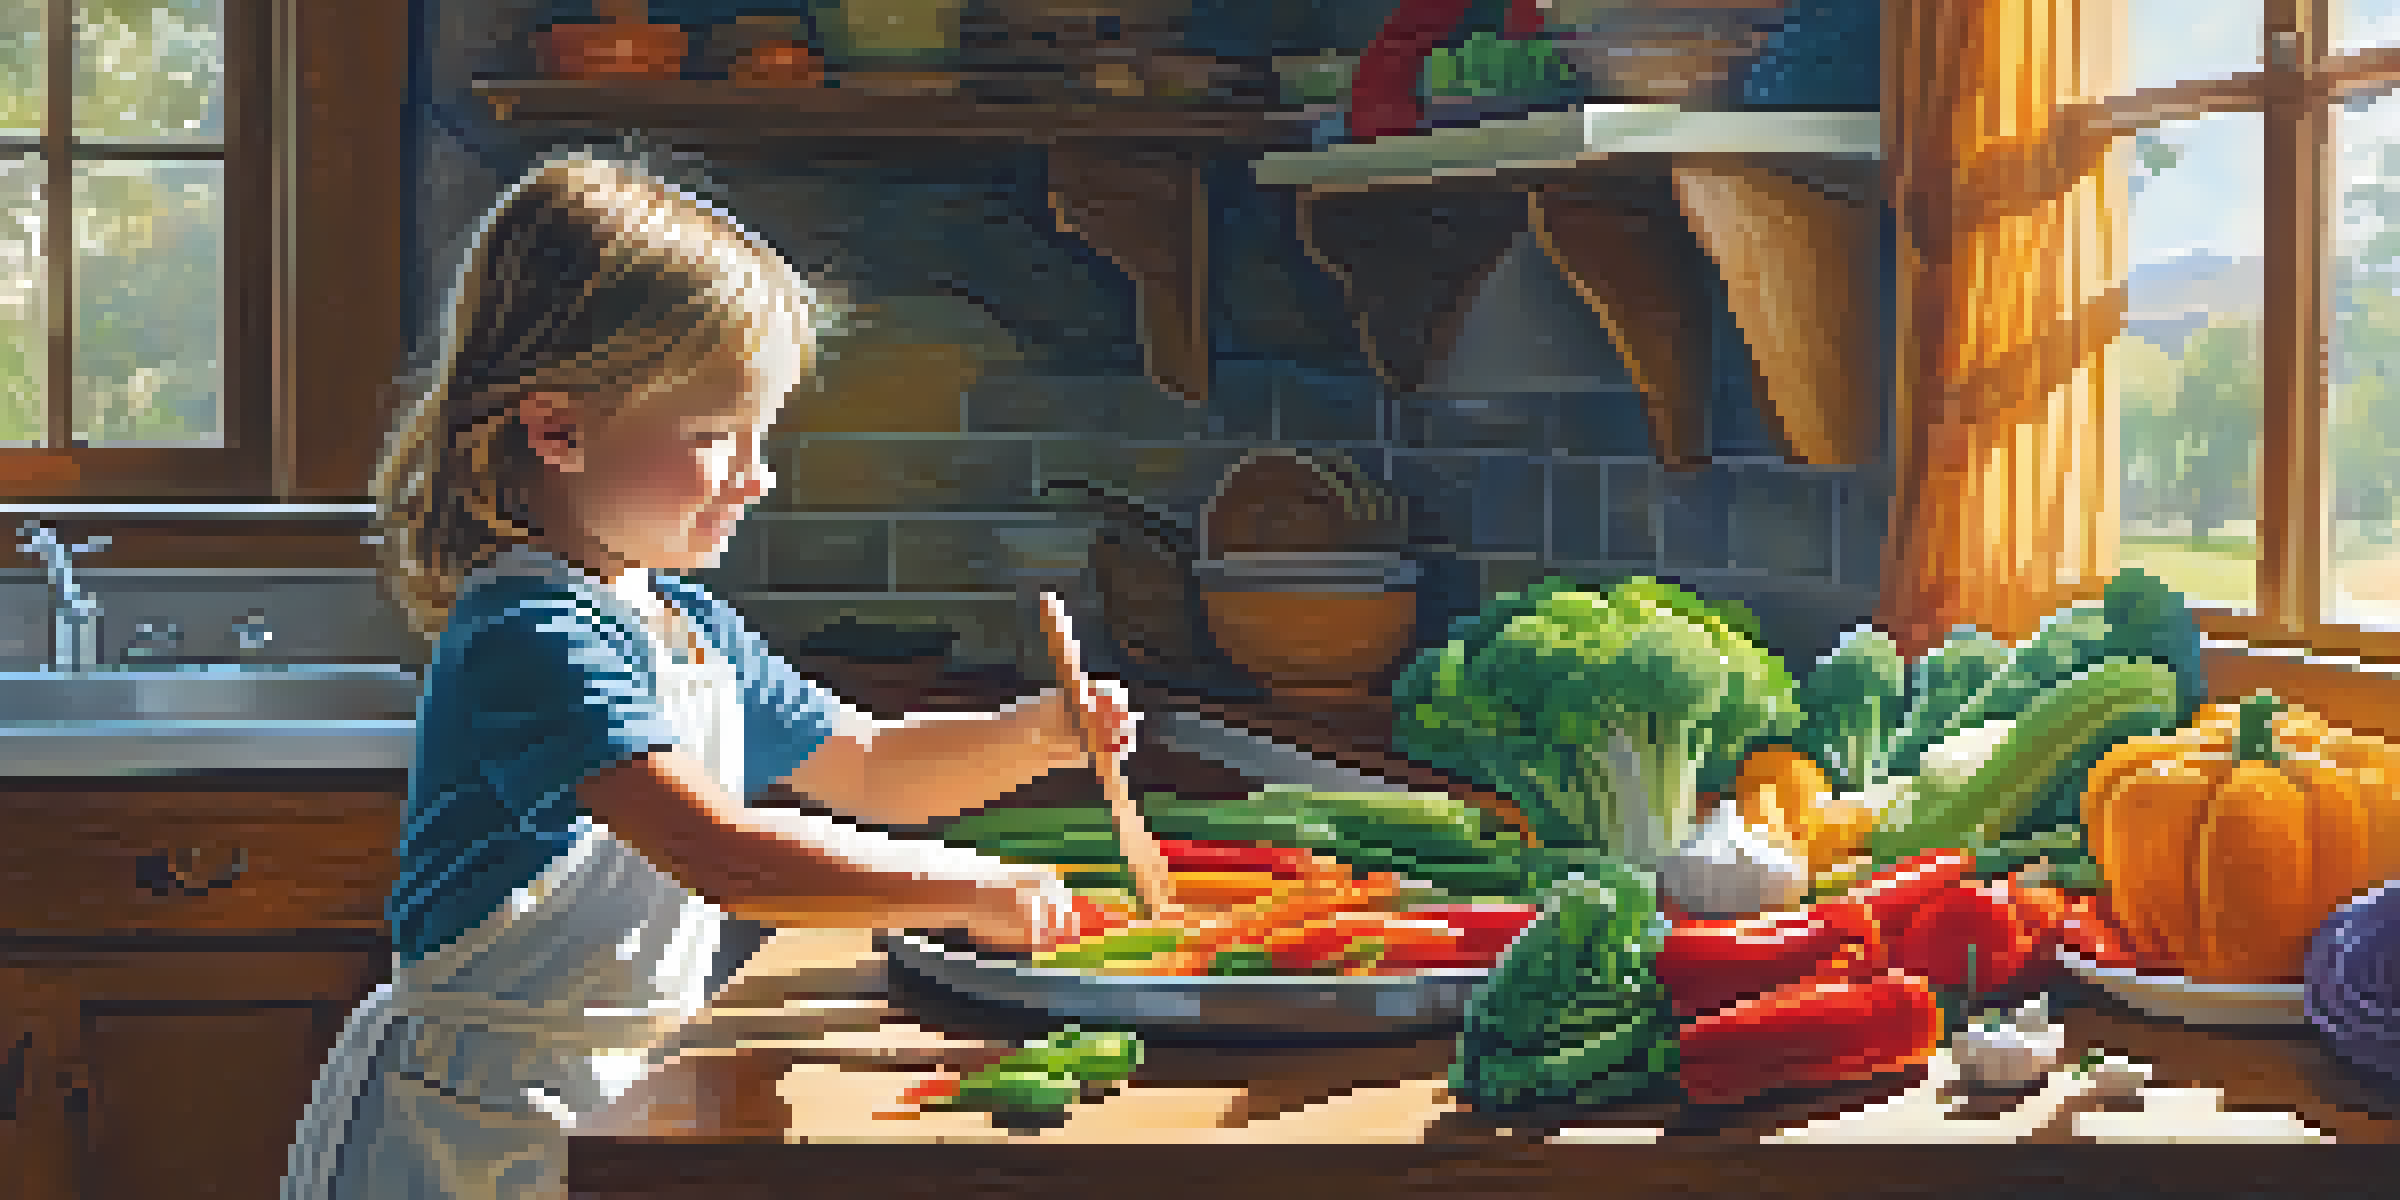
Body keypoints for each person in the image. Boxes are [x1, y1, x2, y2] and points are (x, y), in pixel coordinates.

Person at [281, 150, 1137, 1199]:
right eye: (712, 436)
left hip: (613, 1084)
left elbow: (870, 765)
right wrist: (969, 888)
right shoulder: (533, 636)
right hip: (475, 1114)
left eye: (759, 433)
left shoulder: (683, 625)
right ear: (558, 430)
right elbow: (724, 855)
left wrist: (1040, 733)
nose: (756, 473)